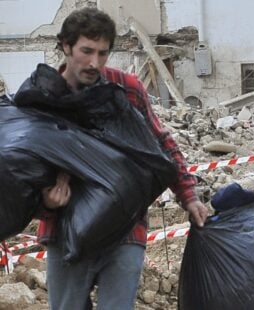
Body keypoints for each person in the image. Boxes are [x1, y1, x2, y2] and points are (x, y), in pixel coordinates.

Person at [19, 8, 207, 309]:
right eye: (86, 51)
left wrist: (189, 196)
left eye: (103, 53)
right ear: (66, 47)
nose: (94, 63)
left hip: (125, 229)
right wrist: (46, 203)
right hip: (62, 230)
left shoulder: (124, 89)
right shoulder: (43, 98)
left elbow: (161, 144)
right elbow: (24, 171)